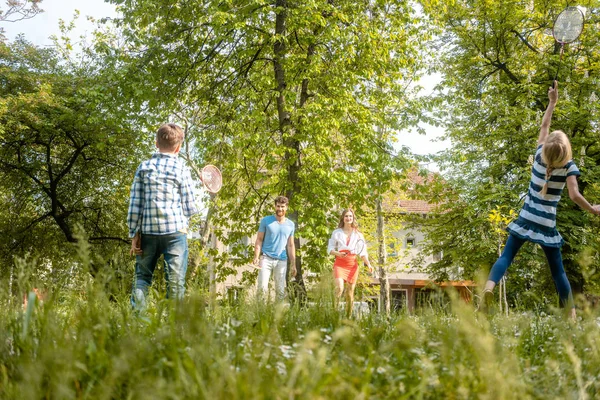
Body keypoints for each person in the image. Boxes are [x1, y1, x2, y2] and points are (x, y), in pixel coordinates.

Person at [480, 82, 600, 319]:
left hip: (525, 219)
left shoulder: (538, 155)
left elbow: (545, 125)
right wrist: (594, 209)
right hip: (547, 225)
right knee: (558, 273)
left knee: (505, 257)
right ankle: (573, 319)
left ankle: (488, 288)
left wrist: (552, 102)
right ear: (566, 151)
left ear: (546, 148)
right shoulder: (569, 167)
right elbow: (575, 196)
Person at [127, 123, 199, 309]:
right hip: (175, 234)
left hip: (148, 234)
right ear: (179, 147)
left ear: (156, 143)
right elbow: (191, 208)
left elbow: (135, 204)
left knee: (142, 279)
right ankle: (173, 331)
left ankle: (139, 325)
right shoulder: (182, 169)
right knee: (175, 285)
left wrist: (134, 233)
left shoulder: (144, 167)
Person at [327, 208, 373, 317]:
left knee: (349, 292)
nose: (348, 218)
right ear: (343, 218)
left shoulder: (358, 234)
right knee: (339, 288)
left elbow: (363, 252)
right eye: (346, 216)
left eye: (350, 216)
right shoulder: (336, 232)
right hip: (340, 263)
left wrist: (369, 264)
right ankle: (335, 313)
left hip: (352, 264)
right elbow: (330, 248)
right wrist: (338, 254)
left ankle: (348, 316)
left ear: (353, 218)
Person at [253, 196, 297, 301]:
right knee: (262, 289)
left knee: (280, 291)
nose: (280, 209)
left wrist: (293, 264)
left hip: (281, 260)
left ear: (286, 207)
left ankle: (278, 316)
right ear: (275, 206)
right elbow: (259, 239)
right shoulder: (266, 221)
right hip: (266, 258)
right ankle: (260, 315)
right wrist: (256, 257)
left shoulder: (290, 225)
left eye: (282, 206)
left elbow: (290, 245)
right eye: (278, 206)